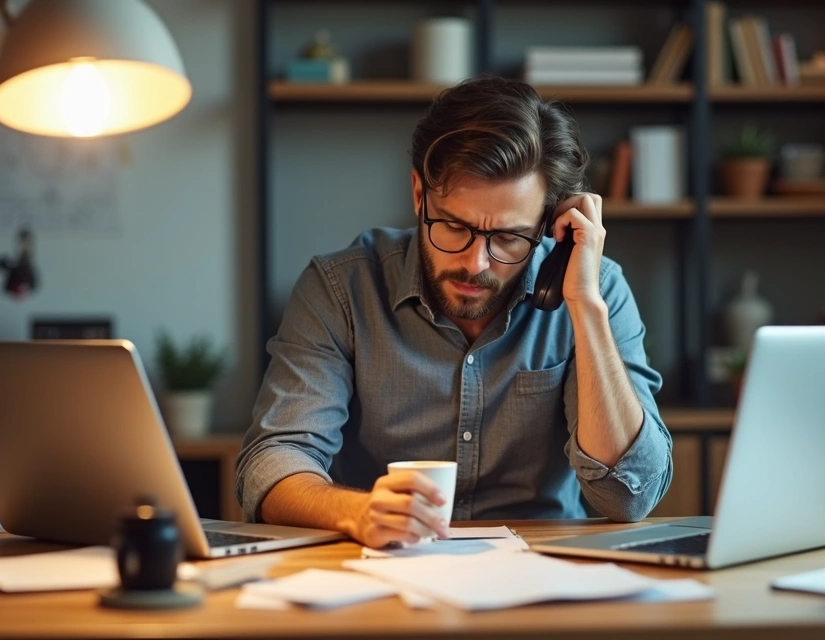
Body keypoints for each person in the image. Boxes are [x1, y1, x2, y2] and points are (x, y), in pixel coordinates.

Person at [236, 75, 672, 548]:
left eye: (508, 237)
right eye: (453, 226)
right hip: (383, 566)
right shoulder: (340, 289)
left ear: (549, 226)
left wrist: (585, 308)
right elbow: (273, 460)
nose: (475, 263)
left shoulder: (597, 288)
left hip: (540, 573)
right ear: (420, 194)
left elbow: (630, 497)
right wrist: (358, 512)